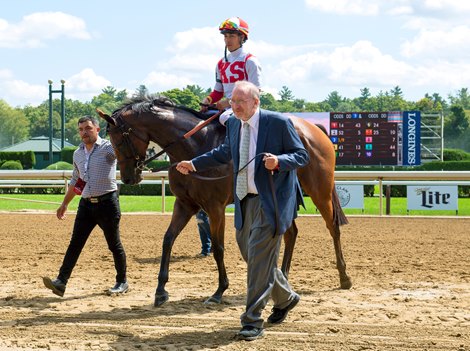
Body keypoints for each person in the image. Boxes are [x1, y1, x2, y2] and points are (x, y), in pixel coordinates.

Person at [176, 81, 310, 341]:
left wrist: (279, 161)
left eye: (241, 101)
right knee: (251, 253)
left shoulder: (278, 123)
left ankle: (252, 321)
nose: (234, 106)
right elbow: (225, 152)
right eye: (233, 101)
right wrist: (194, 164)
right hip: (243, 198)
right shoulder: (235, 124)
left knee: (259, 256)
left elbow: (301, 155)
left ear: (255, 102)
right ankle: (285, 297)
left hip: (271, 200)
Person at [195, 16, 263, 257]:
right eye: (225, 35)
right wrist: (209, 100)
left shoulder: (250, 61)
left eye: (232, 35)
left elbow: (256, 91)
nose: (227, 39)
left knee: (228, 120)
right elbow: (217, 91)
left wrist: (230, 102)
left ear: (242, 37)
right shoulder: (220, 63)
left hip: (244, 111)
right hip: (224, 110)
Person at [43, 115, 128, 297]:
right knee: (75, 244)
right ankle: (61, 282)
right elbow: (78, 181)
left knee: (114, 245)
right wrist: (65, 203)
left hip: (108, 204)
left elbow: (125, 154)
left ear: (97, 129)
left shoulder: (108, 148)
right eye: (81, 129)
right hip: (86, 206)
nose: (84, 132)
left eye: (88, 128)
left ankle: (122, 281)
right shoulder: (78, 153)